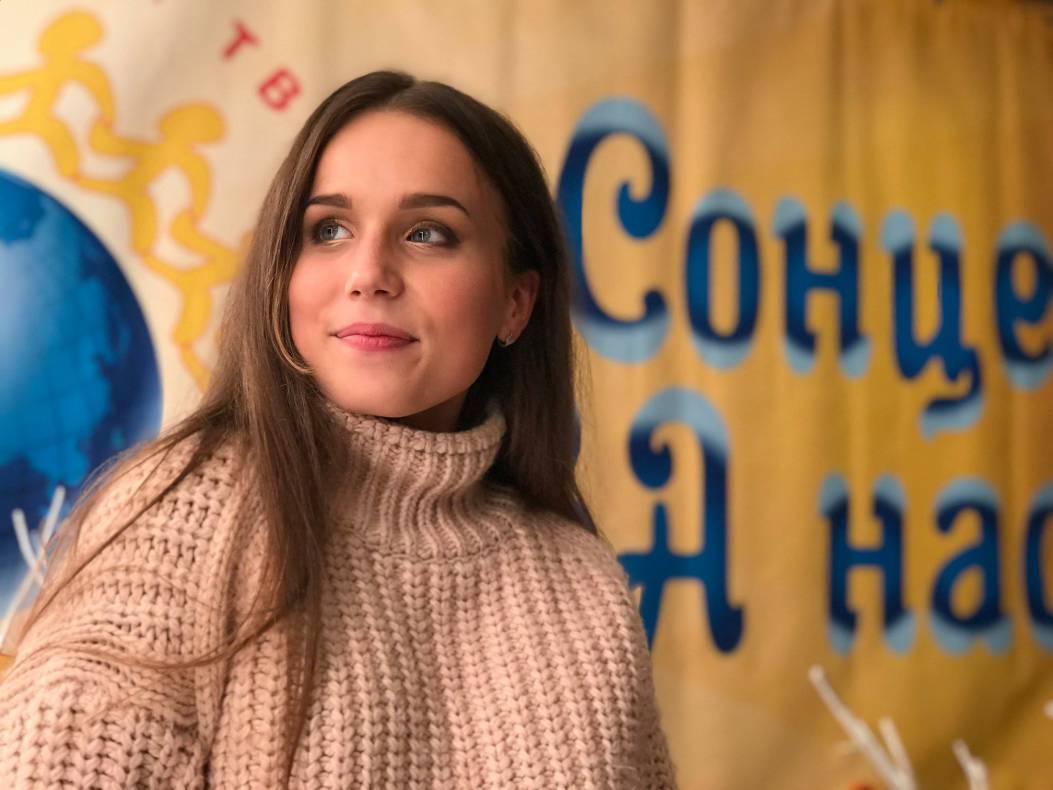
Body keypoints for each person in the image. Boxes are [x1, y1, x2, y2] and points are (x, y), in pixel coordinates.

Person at [0, 70, 678, 788]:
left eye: (427, 233)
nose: (368, 272)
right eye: (328, 230)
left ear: (515, 302)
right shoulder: (177, 516)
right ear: (282, 276)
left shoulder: (584, 585)